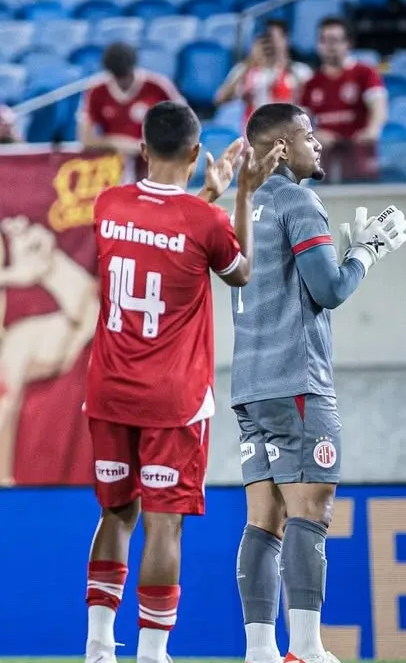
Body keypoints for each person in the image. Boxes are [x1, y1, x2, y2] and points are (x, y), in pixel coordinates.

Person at [82, 100, 281, 663]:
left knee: (116, 515)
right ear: (196, 155)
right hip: (173, 399)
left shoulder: (108, 205)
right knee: (163, 525)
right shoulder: (207, 222)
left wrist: (211, 197)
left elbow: (158, 228)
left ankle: (98, 646)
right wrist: (240, 192)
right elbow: (240, 270)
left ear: (143, 149)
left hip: (108, 391)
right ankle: (151, 652)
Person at [230, 103, 406, 663]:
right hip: (296, 380)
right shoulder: (298, 201)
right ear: (281, 148)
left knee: (264, 518)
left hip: (249, 385)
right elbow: (328, 289)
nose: (320, 143)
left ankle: (260, 650)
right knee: (311, 507)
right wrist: (365, 254)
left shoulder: (241, 207)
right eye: (308, 135)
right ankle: (305, 648)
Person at [299, 17, 388, 183]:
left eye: (335, 40)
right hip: (325, 163)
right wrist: (316, 135)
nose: (330, 46)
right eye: (324, 40)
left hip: (360, 158)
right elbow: (301, 123)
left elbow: (379, 109)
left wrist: (372, 130)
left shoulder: (365, 73)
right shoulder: (311, 82)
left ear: (348, 43)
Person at [77, 43, 183, 176]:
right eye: (116, 77)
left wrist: (153, 146)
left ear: (134, 68)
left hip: (154, 162)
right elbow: (86, 139)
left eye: (126, 75)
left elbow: (185, 127)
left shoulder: (158, 86)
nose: (122, 82)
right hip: (113, 164)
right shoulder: (96, 89)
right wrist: (117, 143)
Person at [214, 22, 312, 128]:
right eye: (266, 40)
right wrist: (249, 62)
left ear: (286, 40)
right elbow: (220, 99)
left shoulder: (300, 70)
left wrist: (287, 67)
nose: (270, 45)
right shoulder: (245, 70)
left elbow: (312, 103)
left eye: (274, 39)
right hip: (256, 134)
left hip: (289, 132)